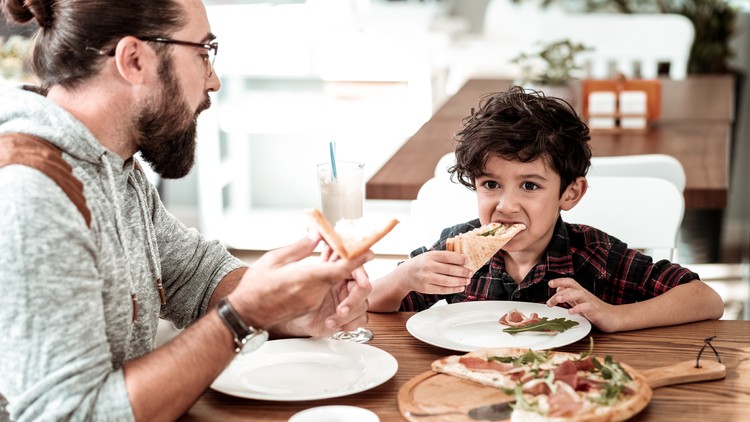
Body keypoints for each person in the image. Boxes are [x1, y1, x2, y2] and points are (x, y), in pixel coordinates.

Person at [0, 1, 373, 421]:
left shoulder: (112, 164)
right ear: (134, 60)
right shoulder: (30, 194)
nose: (213, 80)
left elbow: (192, 273)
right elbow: (71, 415)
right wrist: (243, 316)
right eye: (202, 52)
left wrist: (288, 306)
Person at [368, 86, 724, 332]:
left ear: (569, 194)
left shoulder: (594, 256)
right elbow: (374, 302)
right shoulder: (457, 251)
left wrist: (615, 316)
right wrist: (405, 278)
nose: (506, 206)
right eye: (491, 185)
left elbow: (706, 300)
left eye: (530, 186)